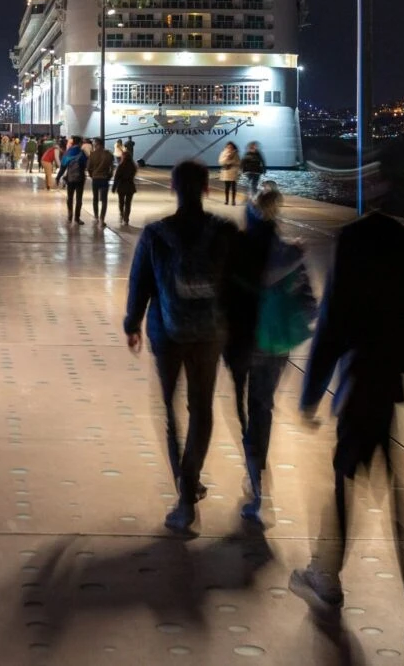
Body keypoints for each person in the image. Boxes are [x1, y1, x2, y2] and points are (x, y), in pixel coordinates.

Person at [289, 174, 404, 648]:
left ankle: (325, 575)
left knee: (344, 482)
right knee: (394, 493)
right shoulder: (403, 239)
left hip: (358, 382)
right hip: (392, 380)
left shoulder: (350, 240)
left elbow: (332, 321)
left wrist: (312, 393)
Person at [123, 161, 238, 532]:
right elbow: (240, 285)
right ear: (207, 188)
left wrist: (132, 323)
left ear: (173, 188)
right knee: (202, 408)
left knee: (171, 411)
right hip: (210, 332)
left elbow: (140, 282)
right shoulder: (224, 231)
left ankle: (185, 496)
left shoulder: (157, 233)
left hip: (167, 330)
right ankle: (192, 478)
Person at [225, 183, 313, 523]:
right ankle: (257, 478)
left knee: (243, 409)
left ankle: (255, 470)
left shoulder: (237, 250)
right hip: (275, 343)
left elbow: (224, 297)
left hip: (242, 342)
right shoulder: (292, 253)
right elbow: (309, 304)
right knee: (262, 407)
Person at [56, 136, 89, 224]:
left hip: (70, 178)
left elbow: (63, 167)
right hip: (80, 178)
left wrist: (58, 177)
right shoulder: (82, 153)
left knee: (70, 197)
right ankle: (77, 218)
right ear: (79, 143)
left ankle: (70, 215)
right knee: (79, 199)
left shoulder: (68, 153)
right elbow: (86, 164)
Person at [85, 137, 115, 224]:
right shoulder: (108, 154)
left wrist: (92, 175)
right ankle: (102, 219)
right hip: (105, 178)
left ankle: (96, 217)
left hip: (95, 178)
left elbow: (89, 167)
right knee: (104, 200)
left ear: (97, 144)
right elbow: (112, 167)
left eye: (94, 143)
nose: (93, 144)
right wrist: (109, 175)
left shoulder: (93, 154)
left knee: (95, 198)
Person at [113, 143, 138, 226]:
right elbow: (133, 176)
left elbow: (116, 178)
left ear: (123, 157)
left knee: (121, 202)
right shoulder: (133, 166)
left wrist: (114, 187)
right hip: (130, 186)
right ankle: (126, 218)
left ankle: (121, 214)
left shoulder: (120, 166)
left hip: (121, 186)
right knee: (128, 203)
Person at [218, 141, 241, 205]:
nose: (229, 148)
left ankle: (233, 201)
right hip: (226, 172)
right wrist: (226, 158)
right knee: (227, 187)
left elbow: (239, 162)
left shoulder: (236, 154)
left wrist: (232, 162)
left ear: (233, 147)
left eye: (231, 147)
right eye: (228, 147)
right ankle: (226, 200)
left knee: (234, 187)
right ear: (226, 147)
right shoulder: (223, 153)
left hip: (233, 172)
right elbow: (220, 162)